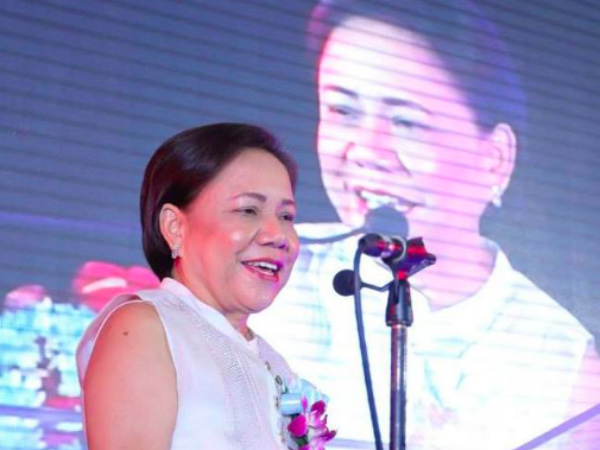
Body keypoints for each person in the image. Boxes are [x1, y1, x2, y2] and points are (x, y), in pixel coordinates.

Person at [252, 1, 600, 449]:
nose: (367, 150)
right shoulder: (268, 272)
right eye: (343, 111)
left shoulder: (566, 370)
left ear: (495, 159)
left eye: (406, 122)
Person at [76, 123, 334, 450]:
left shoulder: (274, 363)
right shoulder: (147, 326)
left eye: (286, 216)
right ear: (174, 227)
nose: (278, 235)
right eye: (248, 210)